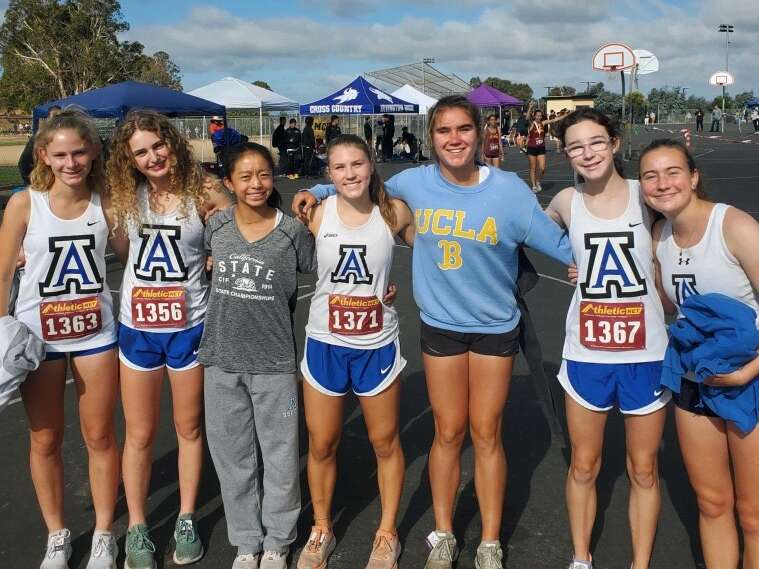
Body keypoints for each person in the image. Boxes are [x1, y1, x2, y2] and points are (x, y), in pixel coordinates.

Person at [293, 95, 573, 569]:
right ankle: (443, 532)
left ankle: (488, 539)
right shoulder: (415, 182)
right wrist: (319, 193)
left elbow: (559, 243)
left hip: (494, 327)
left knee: (486, 433)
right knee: (447, 432)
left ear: (482, 133)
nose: (454, 139)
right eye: (444, 131)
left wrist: (604, 250)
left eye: (464, 129)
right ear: (431, 138)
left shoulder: (508, 190)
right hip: (440, 325)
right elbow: (361, 183)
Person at [106, 109, 231, 569]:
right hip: (138, 331)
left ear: (172, 143)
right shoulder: (125, 197)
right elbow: (123, 253)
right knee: (138, 434)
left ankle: (185, 516)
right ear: (130, 159)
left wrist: (217, 256)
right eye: (141, 151)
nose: (153, 156)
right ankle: (137, 525)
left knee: (189, 428)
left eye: (158, 145)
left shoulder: (204, 192)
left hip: (190, 328)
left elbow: (242, 230)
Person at [547, 108, 670, 569]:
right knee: (583, 465)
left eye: (596, 142)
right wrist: (566, 256)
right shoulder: (564, 202)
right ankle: (581, 558)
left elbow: (693, 223)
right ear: (566, 154)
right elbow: (520, 231)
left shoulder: (648, 195)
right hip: (586, 355)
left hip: (647, 353)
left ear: (615, 143)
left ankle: (640, 563)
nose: (588, 153)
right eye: (576, 146)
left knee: (643, 469)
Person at [0, 109, 121, 569]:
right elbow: (2, 274)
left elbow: (133, 253)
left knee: (100, 435)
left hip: (95, 333)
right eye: (61, 154)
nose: (72, 162)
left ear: (93, 152)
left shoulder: (105, 200)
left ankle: (105, 533)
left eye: (80, 152)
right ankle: (57, 534)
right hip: (37, 339)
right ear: (44, 156)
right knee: (45, 439)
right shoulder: (24, 204)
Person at [296, 134, 415, 569]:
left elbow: (438, 254)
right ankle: (322, 528)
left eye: (357, 164)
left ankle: (387, 534)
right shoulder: (317, 213)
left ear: (370, 166)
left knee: (384, 441)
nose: (350, 174)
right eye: (340, 167)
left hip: (376, 344)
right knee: (323, 443)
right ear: (329, 173)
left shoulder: (394, 213)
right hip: (326, 342)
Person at [640, 138, 759, 569]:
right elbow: (670, 305)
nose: (662, 183)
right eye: (650, 176)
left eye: (672, 172)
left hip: (750, 379)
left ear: (693, 177)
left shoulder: (734, 226)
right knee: (711, 503)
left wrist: (748, 373)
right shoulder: (659, 237)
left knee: (753, 513)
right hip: (695, 378)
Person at [201, 142, 314, 569]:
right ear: (228, 182)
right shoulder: (217, 227)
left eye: (264, 174)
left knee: (280, 456)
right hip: (221, 358)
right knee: (233, 457)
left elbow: (329, 266)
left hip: (274, 363)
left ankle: (278, 541)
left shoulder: (292, 232)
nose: (256, 184)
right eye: (245, 177)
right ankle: (247, 541)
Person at [18, 106, 62, 186]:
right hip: (43, 184)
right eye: (55, 117)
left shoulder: (68, 138)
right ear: (48, 119)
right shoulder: (37, 139)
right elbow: (23, 163)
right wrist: (32, 184)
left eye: (60, 117)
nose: (57, 120)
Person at [525, 108, 561, 193]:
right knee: (533, 168)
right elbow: (527, 118)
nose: (539, 117)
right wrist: (530, 108)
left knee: (542, 168)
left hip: (541, 147)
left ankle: (537, 181)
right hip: (532, 148)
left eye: (540, 116)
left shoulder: (543, 123)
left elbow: (554, 120)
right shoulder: (531, 124)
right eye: (537, 115)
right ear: (534, 116)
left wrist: (566, 115)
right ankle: (533, 186)